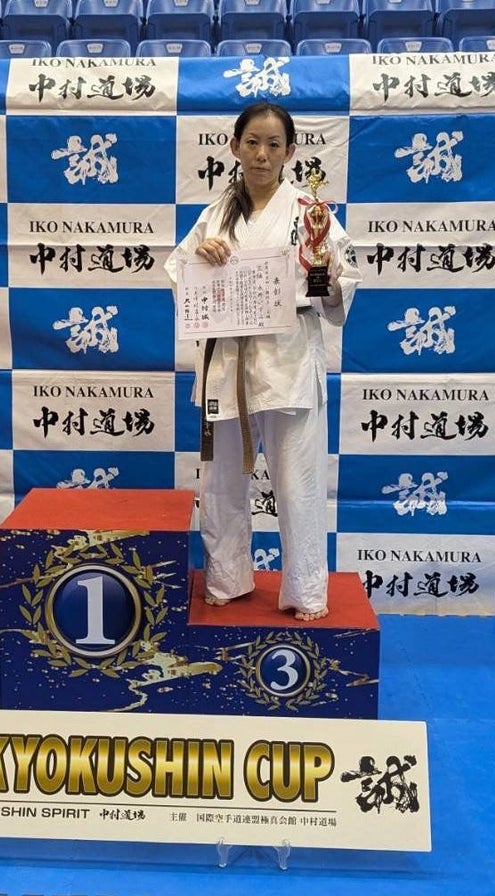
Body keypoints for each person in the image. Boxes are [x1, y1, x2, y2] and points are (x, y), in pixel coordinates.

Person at [165, 101, 361, 621]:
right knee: (222, 481)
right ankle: (227, 577)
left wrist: (325, 276)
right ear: (235, 146)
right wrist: (200, 259)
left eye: (274, 145)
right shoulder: (215, 215)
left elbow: (342, 285)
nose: (261, 154)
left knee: (298, 482)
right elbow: (178, 273)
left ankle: (305, 590)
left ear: (290, 152)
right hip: (227, 362)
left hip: (288, 361)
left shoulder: (312, 214)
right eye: (252, 142)